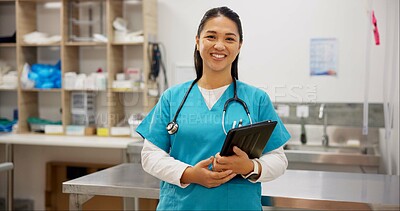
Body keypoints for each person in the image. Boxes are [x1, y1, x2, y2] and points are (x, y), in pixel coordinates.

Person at [136, 6, 290, 210]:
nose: (219, 45)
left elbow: (279, 159)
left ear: (239, 46)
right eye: (211, 36)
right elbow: (150, 155)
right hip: (181, 205)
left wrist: (249, 167)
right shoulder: (172, 98)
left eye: (229, 39)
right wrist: (189, 174)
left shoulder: (257, 99)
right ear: (198, 40)